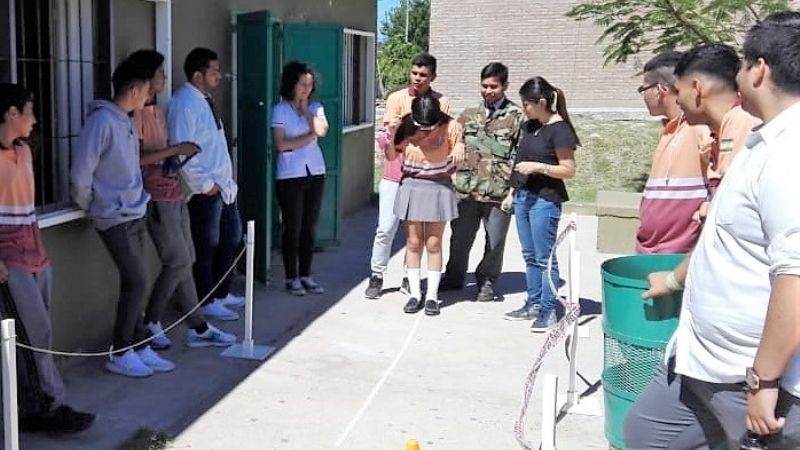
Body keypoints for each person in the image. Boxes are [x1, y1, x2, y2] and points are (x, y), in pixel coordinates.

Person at [624, 12, 800, 449]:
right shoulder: (764, 141)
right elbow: (724, 237)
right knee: (646, 434)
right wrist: (674, 279)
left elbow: (795, 275)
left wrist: (764, 381)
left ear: (759, 70)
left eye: (742, 64)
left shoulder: (789, 154)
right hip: (702, 361)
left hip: (749, 377)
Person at [71, 56, 175, 377]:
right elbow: (80, 174)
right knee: (137, 280)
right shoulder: (102, 122)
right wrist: (92, 205)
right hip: (113, 216)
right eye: (148, 87)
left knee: (137, 282)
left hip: (135, 211)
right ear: (134, 88)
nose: (151, 93)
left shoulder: (127, 120)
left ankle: (139, 344)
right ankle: (121, 350)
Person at [127, 49, 236, 351]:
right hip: (155, 198)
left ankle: (197, 325)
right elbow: (136, 158)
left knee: (186, 260)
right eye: (160, 73)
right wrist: (177, 152)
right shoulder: (137, 116)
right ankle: (152, 320)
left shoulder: (156, 111)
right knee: (177, 262)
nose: (165, 78)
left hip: (174, 192)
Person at [0, 83, 94, 433]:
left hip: (36, 257)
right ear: (11, 114)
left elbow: (27, 208)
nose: (35, 120)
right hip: (10, 264)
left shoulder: (24, 153)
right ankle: (51, 405)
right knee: (34, 336)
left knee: (40, 335)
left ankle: (35, 406)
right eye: (29, 111)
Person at [364, 53, 451, 299]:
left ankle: (408, 275)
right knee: (386, 228)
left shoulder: (441, 102)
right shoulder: (395, 98)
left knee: (417, 234)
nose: (417, 78)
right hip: (394, 175)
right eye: (414, 73)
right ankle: (377, 274)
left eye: (423, 75)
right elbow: (385, 136)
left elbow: (440, 136)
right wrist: (391, 132)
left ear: (433, 76)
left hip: (424, 177)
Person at [168, 47, 243, 322]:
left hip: (223, 188)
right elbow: (181, 150)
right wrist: (206, 185)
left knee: (230, 241)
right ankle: (205, 299)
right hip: (206, 191)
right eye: (214, 71)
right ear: (198, 75)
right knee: (206, 247)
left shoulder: (204, 100)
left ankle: (221, 293)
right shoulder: (184, 102)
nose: (219, 76)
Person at [439, 62, 524, 301]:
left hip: (498, 191)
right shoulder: (468, 115)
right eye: (484, 86)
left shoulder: (516, 117)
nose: (488, 91)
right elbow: (452, 144)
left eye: (493, 86)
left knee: (495, 241)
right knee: (460, 238)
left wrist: (513, 191)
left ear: (505, 86)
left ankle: (487, 281)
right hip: (467, 190)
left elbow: (521, 155)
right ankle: (454, 276)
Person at [503, 77, 578, 331]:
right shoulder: (530, 126)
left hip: (545, 200)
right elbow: (520, 160)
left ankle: (548, 309)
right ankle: (533, 303)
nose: (524, 108)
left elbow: (568, 170)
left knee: (545, 258)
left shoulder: (560, 131)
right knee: (529, 256)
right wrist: (512, 192)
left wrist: (539, 167)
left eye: (527, 103)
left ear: (542, 102)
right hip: (524, 197)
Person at [385, 93, 464, 315]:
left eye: (430, 126)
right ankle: (414, 293)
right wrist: (391, 135)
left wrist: (459, 148)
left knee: (433, 243)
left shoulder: (451, 126)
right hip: (412, 185)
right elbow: (391, 156)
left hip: (438, 186)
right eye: (422, 126)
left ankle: (431, 296)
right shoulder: (406, 126)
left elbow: (459, 147)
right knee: (413, 242)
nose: (426, 131)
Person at [634, 52, 713, 254]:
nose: (643, 96)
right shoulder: (668, 130)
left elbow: (722, 182)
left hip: (679, 258)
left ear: (660, 90)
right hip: (650, 251)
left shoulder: (700, 128)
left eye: (643, 89)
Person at [673, 43, 762, 219]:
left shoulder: (741, 120)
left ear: (697, 88)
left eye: (678, 91)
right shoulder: (719, 132)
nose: (677, 101)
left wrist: (710, 210)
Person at [271, 61, 329, 296]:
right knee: (292, 226)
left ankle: (306, 274)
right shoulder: (280, 110)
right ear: (291, 84)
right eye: (302, 84)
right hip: (290, 175)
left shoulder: (315, 108)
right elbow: (281, 145)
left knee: (309, 226)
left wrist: (306, 111)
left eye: (309, 85)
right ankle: (290, 276)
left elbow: (322, 131)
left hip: (315, 171)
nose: (306, 89)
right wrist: (308, 137)